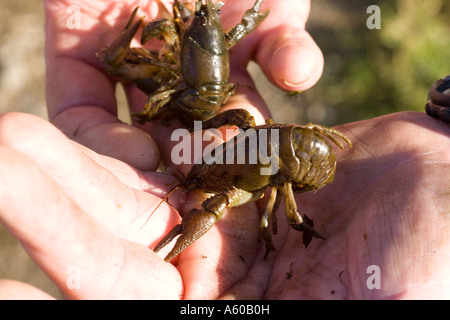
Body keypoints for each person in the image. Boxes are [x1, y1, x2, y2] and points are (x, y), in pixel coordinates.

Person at [0, 0, 449, 299]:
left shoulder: (254, 181)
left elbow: (286, 213)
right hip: (289, 146)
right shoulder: (248, 142)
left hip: (297, 157)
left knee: (216, 205)